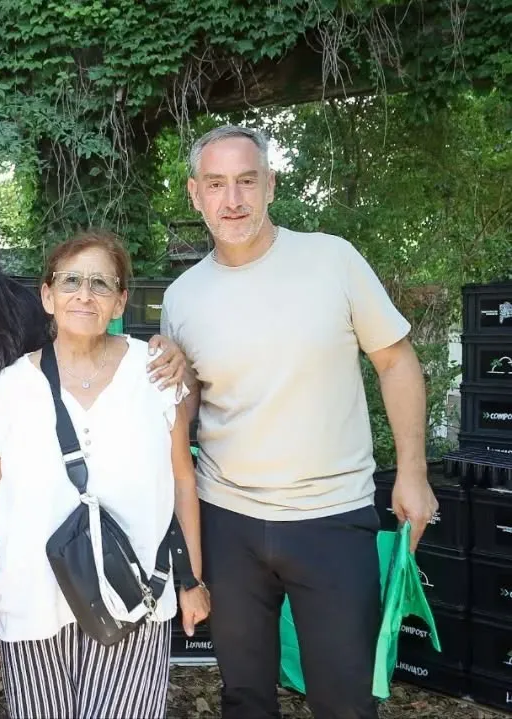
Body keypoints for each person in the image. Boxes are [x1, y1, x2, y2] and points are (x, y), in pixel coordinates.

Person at [161, 124, 438, 719]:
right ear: (194, 194)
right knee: (245, 697)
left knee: (344, 702)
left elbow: (396, 361)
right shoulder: (183, 296)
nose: (232, 200)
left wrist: (412, 472)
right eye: (216, 184)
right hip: (227, 520)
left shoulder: (331, 259)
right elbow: (185, 410)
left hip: (331, 519)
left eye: (246, 181)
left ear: (271, 184)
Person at [0, 229, 210, 719]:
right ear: (47, 296)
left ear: (119, 300)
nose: (84, 293)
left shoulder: (154, 374)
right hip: (31, 600)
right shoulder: (13, 386)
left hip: (134, 594)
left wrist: (191, 579)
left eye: (100, 283)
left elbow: (183, 478)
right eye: (71, 280)